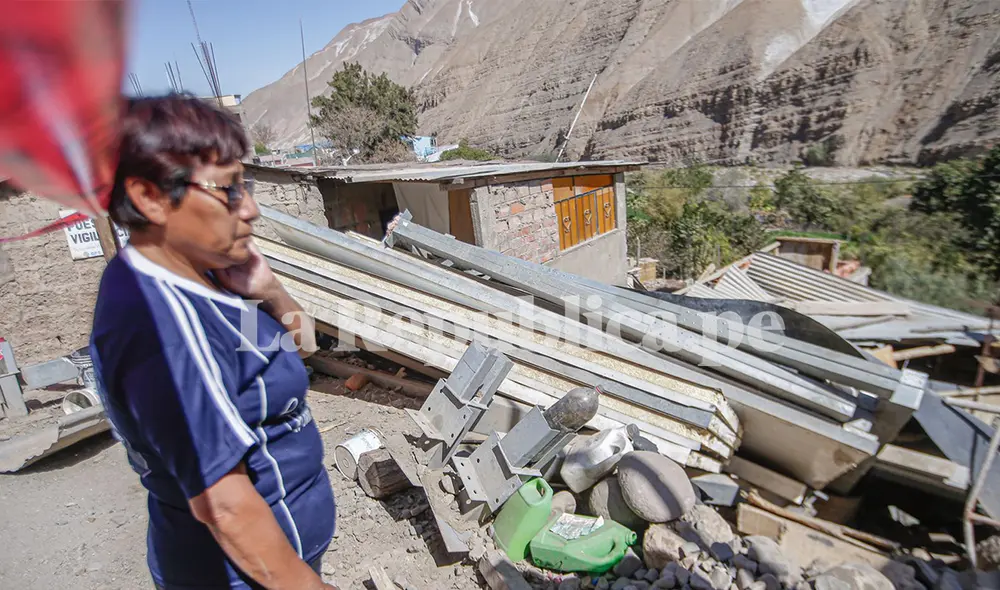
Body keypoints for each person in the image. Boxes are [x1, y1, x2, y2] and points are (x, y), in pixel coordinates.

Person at [89, 94, 337, 590]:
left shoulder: (211, 274)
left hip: (285, 555)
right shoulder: (164, 326)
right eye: (229, 189)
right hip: (242, 576)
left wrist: (270, 291)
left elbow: (304, 347)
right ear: (150, 197)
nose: (252, 209)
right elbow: (225, 505)